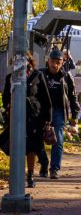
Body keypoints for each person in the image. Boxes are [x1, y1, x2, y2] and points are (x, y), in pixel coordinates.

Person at [2, 54, 52, 187]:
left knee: (32, 148)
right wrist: (9, 106)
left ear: (29, 62)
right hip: (16, 118)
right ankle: (16, 174)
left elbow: (46, 99)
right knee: (15, 146)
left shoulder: (37, 75)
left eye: (24, 62)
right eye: (17, 62)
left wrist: (48, 119)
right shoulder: (11, 77)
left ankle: (30, 175)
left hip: (34, 118)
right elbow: (5, 98)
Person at [37, 49, 81, 179]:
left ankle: (54, 169)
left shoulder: (66, 77)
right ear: (48, 61)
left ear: (62, 63)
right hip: (42, 110)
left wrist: (75, 117)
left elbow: (73, 98)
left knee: (58, 140)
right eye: (52, 61)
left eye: (58, 62)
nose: (54, 65)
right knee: (38, 139)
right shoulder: (40, 74)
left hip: (59, 111)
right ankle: (44, 163)